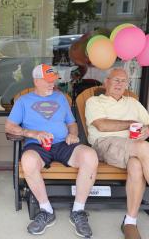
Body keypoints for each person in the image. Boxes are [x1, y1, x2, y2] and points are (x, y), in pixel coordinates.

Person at [5, 64, 98, 238]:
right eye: (47, 81)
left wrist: (73, 134)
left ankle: (78, 211)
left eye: (53, 80)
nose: (52, 84)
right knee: (28, 161)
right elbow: (9, 127)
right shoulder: (23, 101)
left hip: (63, 144)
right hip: (37, 146)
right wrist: (32, 133)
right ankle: (46, 210)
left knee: (90, 156)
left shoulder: (61, 98)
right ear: (36, 81)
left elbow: (71, 123)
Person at [85, 67, 149, 239]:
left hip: (132, 147)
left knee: (136, 166)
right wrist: (130, 123)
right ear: (106, 82)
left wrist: (147, 130)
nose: (120, 84)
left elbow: (148, 123)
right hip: (105, 144)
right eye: (116, 80)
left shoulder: (133, 103)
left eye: (123, 81)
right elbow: (102, 126)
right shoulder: (95, 102)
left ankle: (130, 222)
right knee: (144, 148)